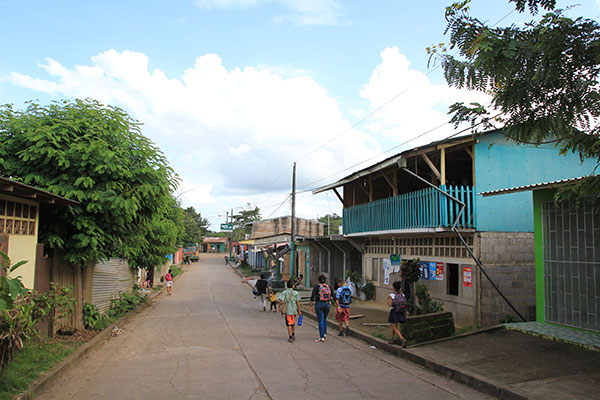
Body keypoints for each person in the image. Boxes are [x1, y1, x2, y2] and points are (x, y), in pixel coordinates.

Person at [309, 274, 331, 342]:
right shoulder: (328, 287)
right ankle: (324, 333)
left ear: (318, 280)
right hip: (327, 304)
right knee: (324, 319)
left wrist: (311, 306)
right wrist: (337, 306)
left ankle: (321, 337)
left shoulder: (317, 287)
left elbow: (312, 297)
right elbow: (333, 296)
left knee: (320, 320)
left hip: (319, 304)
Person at [387, 280, 408, 348]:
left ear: (394, 288)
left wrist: (388, 299)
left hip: (394, 312)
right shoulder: (402, 295)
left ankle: (402, 339)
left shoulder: (392, 295)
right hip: (400, 312)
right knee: (395, 325)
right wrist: (405, 314)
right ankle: (392, 339)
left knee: (394, 327)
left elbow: (390, 305)